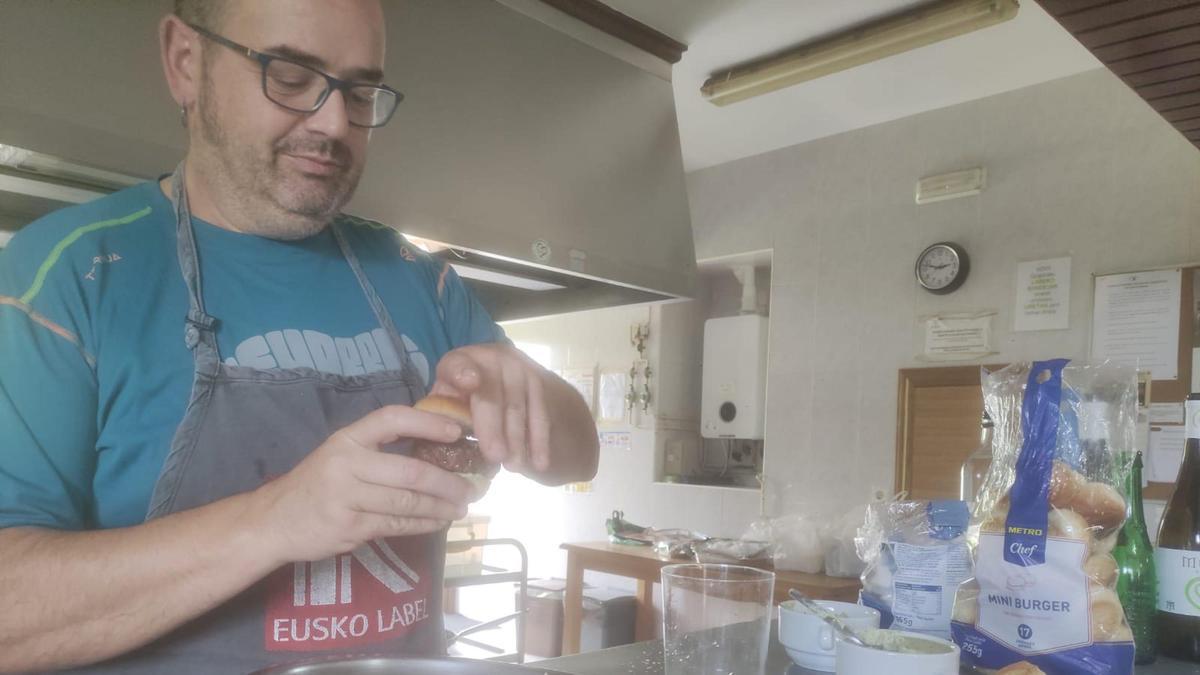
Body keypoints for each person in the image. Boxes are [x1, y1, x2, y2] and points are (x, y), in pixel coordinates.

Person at [0, 0, 599, 672]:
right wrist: (276, 518)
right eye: (288, 75)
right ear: (185, 62)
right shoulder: (65, 277)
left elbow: (579, 455)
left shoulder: (418, 279)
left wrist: (531, 397)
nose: (335, 121)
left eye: (361, 89)